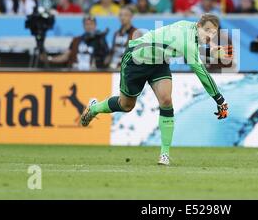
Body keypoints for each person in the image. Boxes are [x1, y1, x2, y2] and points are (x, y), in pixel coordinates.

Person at [80, 14, 231, 166]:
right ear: (198, 26)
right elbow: (200, 71)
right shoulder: (187, 41)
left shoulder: (190, 27)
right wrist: (220, 100)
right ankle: (94, 108)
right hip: (136, 59)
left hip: (159, 63)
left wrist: (211, 49)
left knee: (166, 100)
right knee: (126, 105)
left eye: (213, 33)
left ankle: (164, 154)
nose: (210, 35)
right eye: (208, 31)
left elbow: (196, 41)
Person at [42, 15, 109, 70]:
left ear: (95, 25)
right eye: (86, 24)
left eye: (91, 24)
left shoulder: (100, 40)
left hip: (92, 73)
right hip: (76, 72)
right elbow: (65, 56)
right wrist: (49, 58)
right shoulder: (76, 40)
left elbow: (106, 58)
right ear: (83, 26)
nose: (89, 26)